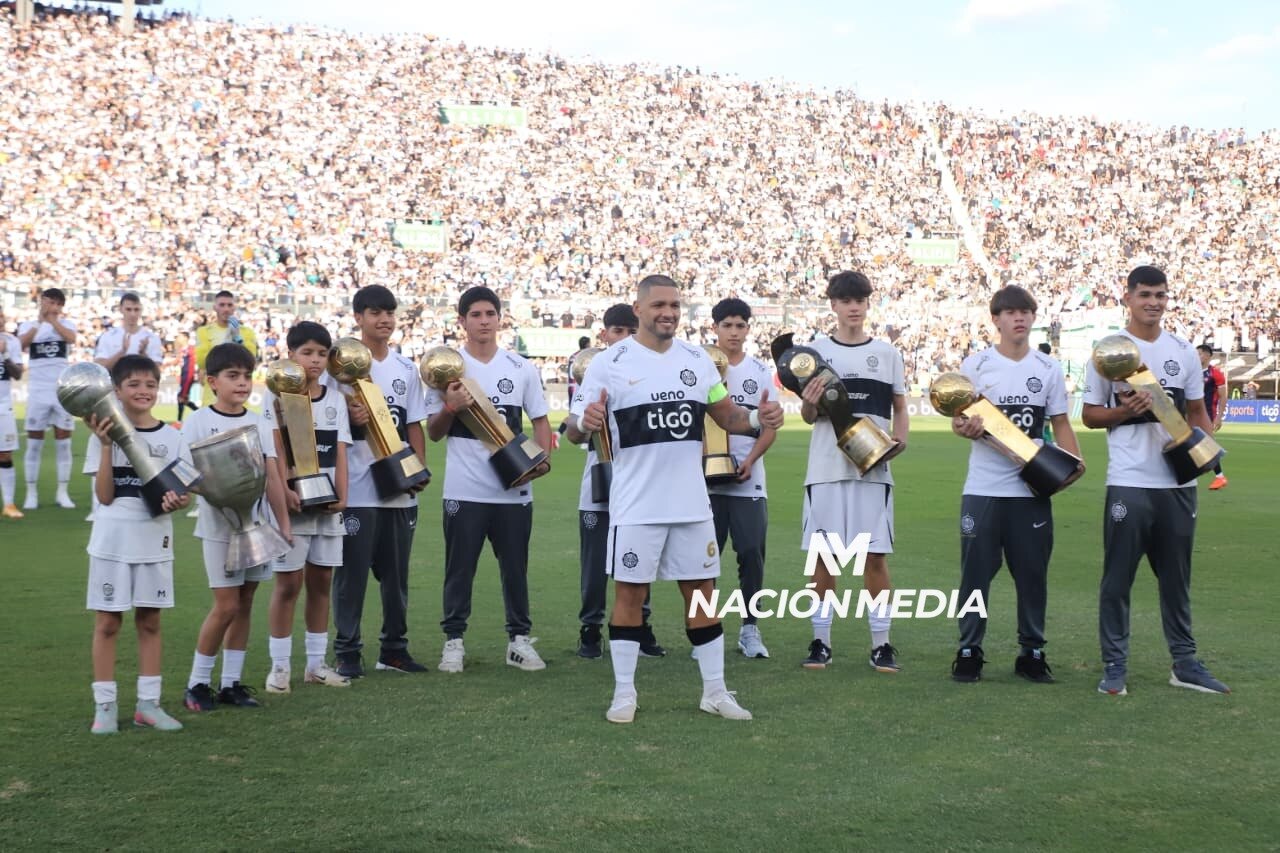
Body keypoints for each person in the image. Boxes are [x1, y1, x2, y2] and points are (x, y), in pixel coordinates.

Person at [569, 274, 784, 724]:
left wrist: (759, 420)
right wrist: (585, 422)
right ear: (639, 308)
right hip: (636, 506)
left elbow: (725, 415)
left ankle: (715, 691)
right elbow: (573, 431)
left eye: (675, 305)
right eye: (659, 305)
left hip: (692, 505)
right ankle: (625, 693)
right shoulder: (609, 363)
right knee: (629, 596)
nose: (668, 312)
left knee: (702, 597)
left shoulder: (697, 360)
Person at [1082, 265, 1229, 696]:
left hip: (1179, 486)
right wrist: (1126, 411)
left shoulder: (1182, 350)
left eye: (1160, 295)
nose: (1153, 302)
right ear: (1126, 297)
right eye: (1145, 294)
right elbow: (1090, 415)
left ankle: (1184, 664)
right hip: (1129, 479)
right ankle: (1114, 666)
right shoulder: (1108, 352)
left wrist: (1201, 448)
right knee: (1118, 579)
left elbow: (1197, 412)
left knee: (1176, 580)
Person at [948, 286, 1083, 684]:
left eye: (1025, 311)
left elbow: (1059, 422)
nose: (1019, 318)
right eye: (1010, 312)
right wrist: (965, 429)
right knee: (974, 576)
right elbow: (958, 422)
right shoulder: (976, 365)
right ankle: (969, 650)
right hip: (984, 489)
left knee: (1032, 575)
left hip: (1031, 489)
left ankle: (1032, 651)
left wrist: (1077, 464)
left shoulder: (1048, 368)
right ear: (997, 320)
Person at [425, 286, 553, 674]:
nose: (484, 321)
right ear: (461, 321)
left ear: (500, 319)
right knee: (459, 568)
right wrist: (451, 407)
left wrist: (540, 461)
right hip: (464, 490)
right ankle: (454, 643)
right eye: (475, 315)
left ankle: (519, 641)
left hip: (513, 490)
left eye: (490, 314)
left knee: (516, 569)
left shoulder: (520, 368)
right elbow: (433, 432)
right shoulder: (447, 368)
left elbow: (541, 422)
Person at [798, 271, 909, 673]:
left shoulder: (887, 353)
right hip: (827, 468)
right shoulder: (814, 352)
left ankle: (881, 644)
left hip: (873, 468)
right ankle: (820, 641)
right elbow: (810, 415)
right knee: (824, 559)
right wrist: (809, 402)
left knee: (874, 558)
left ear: (867, 304)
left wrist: (901, 438)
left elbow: (899, 404)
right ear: (834, 305)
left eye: (860, 299)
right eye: (846, 300)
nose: (854, 307)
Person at [84, 354, 192, 734]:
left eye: (150, 384)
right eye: (133, 384)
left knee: (150, 621)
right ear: (117, 390)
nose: (143, 391)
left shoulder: (173, 436)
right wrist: (106, 447)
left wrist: (179, 500)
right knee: (108, 623)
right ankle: (106, 707)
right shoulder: (103, 432)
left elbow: (184, 494)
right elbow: (105, 496)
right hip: (112, 540)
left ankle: (149, 705)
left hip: (154, 540)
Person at [180, 343, 292, 712]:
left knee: (245, 603)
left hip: (258, 525)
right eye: (232, 376)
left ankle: (231, 683)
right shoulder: (197, 421)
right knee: (225, 605)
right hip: (219, 527)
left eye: (246, 376)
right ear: (212, 382)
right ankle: (197, 683)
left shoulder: (259, 421)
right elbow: (185, 475)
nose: (242, 383)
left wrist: (284, 525)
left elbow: (273, 476)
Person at [330, 285, 431, 678]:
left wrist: (418, 468)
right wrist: (346, 418)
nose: (384, 319)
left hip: (399, 491)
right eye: (374, 312)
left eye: (389, 312)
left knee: (396, 578)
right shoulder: (338, 366)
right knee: (351, 577)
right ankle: (348, 651)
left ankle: (394, 649)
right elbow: (322, 419)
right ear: (358, 317)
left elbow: (412, 424)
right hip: (355, 487)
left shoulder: (406, 369)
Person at [564, 304, 665, 659]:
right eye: (616, 331)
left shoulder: (652, 372)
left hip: (640, 483)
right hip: (599, 482)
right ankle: (590, 630)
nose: (622, 337)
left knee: (640, 559)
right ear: (604, 334)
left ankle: (642, 628)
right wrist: (584, 423)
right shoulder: (596, 371)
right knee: (594, 564)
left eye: (628, 330)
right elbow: (572, 434)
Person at [263, 322, 352, 692]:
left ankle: (316, 664)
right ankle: (279, 667)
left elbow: (341, 450)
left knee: (322, 582)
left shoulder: (335, 399)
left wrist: (343, 497)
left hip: (328, 504)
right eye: (307, 353)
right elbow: (275, 452)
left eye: (321, 353)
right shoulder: (276, 398)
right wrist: (284, 490)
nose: (315, 361)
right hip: (294, 506)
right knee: (288, 585)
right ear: (291, 355)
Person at [708, 298, 777, 659]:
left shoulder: (760, 373)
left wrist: (751, 458)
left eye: (740, 326)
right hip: (706, 482)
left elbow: (769, 426)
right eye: (727, 326)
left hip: (749, 479)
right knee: (705, 559)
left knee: (751, 553)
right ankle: (707, 632)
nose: (734, 333)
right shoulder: (701, 368)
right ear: (715, 328)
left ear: (748, 329)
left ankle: (750, 629)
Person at [85, 293, 166, 522]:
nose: (132, 314)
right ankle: (97, 504)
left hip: (138, 401)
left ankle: (141, 496)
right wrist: (122, 352)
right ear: (121, 310)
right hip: (111, 398)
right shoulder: (110, 336)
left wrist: (140, 355)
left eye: (136, 309)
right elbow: (99, 367)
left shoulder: (150, 337)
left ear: (141, 311)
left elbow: (156, 369)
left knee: (136, 446)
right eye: (128, 309)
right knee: (104, 445)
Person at [18, 287, 78, 509]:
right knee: (34, 443)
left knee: (64, 442)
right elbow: (21, 344)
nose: (51, 307)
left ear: (61, 307)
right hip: (38, 391)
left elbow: (71, 338)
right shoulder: (28, 325)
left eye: (55, 304)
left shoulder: (66, 325)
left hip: (61, 390)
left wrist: (53, 321)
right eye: (48, 302)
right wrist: (39, 323)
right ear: (41, 302)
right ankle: (31, 493)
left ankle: (62, 492)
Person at [194, 290, 258, 386]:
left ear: (234, 307)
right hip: (213, 393)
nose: (226, 309)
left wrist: (237, 338)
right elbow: (202, 362)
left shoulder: (247, 332)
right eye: (222, 305)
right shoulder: (203, 332)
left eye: (229, 305)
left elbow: (251, 361)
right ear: (215, 307)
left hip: (238, 389)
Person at [0, 310, 25, 518]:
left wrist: (5, 354)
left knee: (5, 454)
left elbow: (18, 374)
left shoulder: (11, 342)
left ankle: (8, 504)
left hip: (3, 405)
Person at [1196, 344, 1228, 491]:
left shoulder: (1215, 373)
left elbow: (1223, 396)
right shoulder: (1192, 372)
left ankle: (1220, 477)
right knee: (1198, 444)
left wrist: (1219, 417)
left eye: (1200, 354)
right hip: (1192, 413)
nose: (1197, 356)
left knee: (1207, 444)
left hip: (1207, 414)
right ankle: (1212, 471)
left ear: (1208, 355)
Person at [175, 332, 201, 423]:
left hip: (187, 377)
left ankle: (179, 421)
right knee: (184, 400)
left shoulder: (191, 349)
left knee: (181, 397)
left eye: (180, 336)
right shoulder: (182, 349)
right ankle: (202, 414)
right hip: (183, 377)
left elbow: (191, 367)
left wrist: (188, 379)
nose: (178, 339)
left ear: (186, 338)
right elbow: (179, 362)